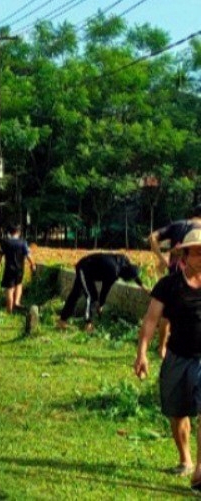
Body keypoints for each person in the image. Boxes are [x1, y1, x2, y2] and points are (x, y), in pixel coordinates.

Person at [134, 229, 201, 488]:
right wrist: (142, 353)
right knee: (177, 412)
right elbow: (151, 320)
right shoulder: (169, 285)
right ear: (184, 256)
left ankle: (200, 471)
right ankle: (186, 460)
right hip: (177, 357)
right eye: (196, 252)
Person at [149, 207, 201, 358]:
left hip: (175, 272)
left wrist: (162, 259)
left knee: (167, 313)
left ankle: (162, 348)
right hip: (194, 275)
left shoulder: (177, 225)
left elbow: (152, 237)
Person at [57, 253, 142, 332]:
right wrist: (100, 305)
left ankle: (62, 321)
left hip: (88, 270)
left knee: (75, 294)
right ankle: (88, 324)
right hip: (84, 268)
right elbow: (105, 289)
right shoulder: (113, 272)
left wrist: (142, 285)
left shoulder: (124, 261)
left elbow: (133, 273)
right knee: (91, 297)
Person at [0, 224, 35, 314]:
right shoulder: (23, 242)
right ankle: (17, 302)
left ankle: (9, 310)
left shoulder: (5, 242)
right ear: (18, 232)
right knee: (19, 284)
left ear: (10, 232)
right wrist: (33, 264)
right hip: (20, 270)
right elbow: (28, 255)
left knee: (9, 289)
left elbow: (0, 255)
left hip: (9, 269)